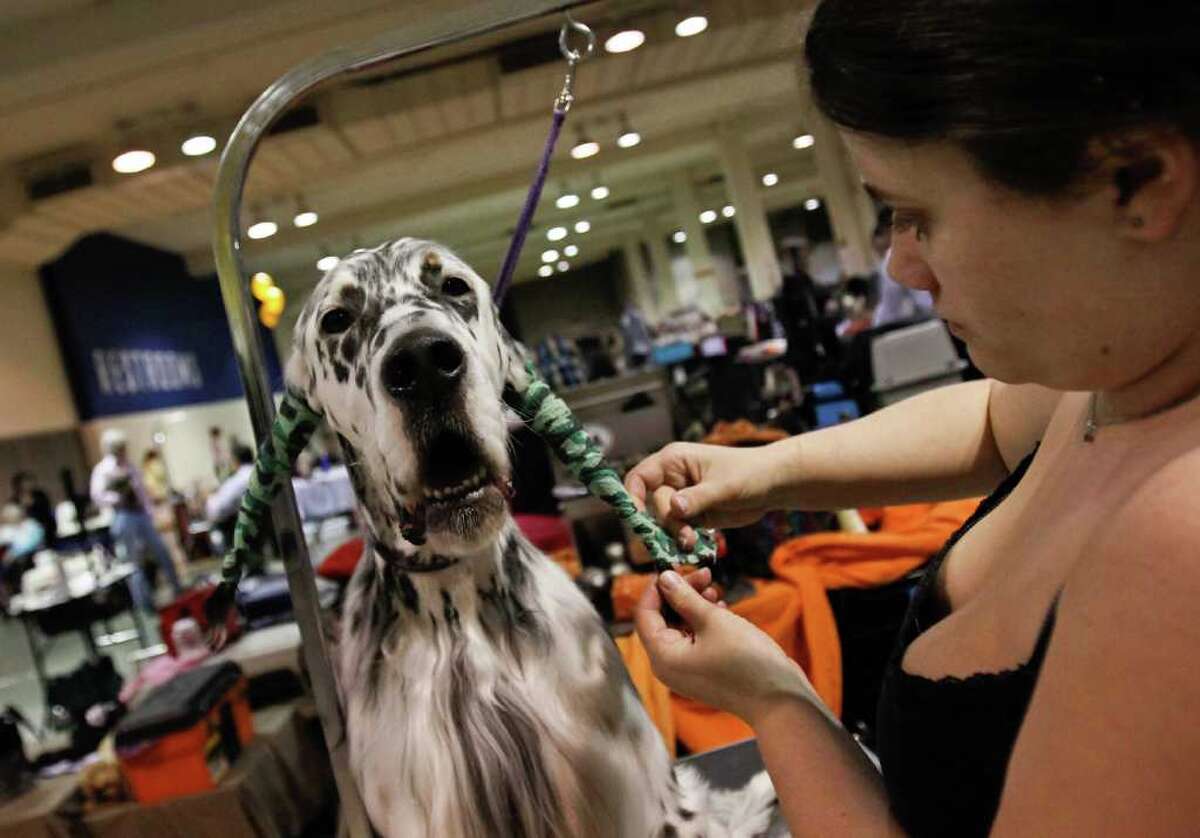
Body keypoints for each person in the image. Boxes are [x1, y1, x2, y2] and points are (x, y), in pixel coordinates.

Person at [626, 2, 1200, 835]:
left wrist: (776, 702)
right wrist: (771, 469)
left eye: (918, 214)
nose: (903, 264)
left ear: (1137, 182)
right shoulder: (1114, 379)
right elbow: (998, 421)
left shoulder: (1178, 545)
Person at [90, 429, 183, 610]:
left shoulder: (130, 466)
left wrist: (150, 512)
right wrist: (119, 498)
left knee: (162, 552)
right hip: (123, 515)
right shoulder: (103, 470)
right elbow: (98, 496)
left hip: (141, 515)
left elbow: (142, 493)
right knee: (133, 562)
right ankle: (144, 603)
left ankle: (177, 588)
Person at [204, 444, 255, 550]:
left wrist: (209, 498)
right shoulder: (259, 472)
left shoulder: (237, 481)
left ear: (236, 460)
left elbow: (217, 509)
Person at [10, 472, 56, 548]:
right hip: (27, 533)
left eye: (29, 482)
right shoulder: (15, 501)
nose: (28, 485)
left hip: (46, 528)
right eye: (25, 482)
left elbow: (47, 510)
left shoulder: (40, 495)